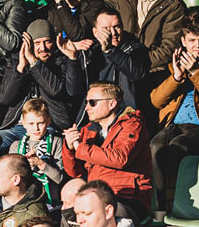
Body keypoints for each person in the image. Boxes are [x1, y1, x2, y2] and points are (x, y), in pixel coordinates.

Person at [149, 17, 199, 190]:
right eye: (192, 40)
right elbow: (156, 101)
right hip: (172, 125)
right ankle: (161, 203)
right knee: (156, 145)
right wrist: (177, 77)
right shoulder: (173, 66)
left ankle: (180, 197)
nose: (197, 45)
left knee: (178, 147)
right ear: (183, 41)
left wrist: (195, 71)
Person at [60, 82, 152, 219]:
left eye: (92, 102)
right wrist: (69, 148)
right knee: (64, 214)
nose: (86, 108)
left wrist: (81, 148)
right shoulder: (88, 130)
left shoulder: (132, 125)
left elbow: (120, 158)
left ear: (112, 104)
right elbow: (75, 172)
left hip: (128, 195)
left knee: (98, 214)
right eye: (86, 102)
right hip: (98, 194)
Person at [0, 20, 84, 138]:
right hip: (18, 127)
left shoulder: (60, 61)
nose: (43, 48)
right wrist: (20, 68)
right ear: (28, 44)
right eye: (37, 43)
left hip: (50, 127)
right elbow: (4, 99)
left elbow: (55, 90)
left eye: (47, 42)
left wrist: (33, 61)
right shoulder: (16, 61)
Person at [62, 6, 148, 111]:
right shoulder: (89, 51)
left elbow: (137, 73)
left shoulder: (135, 48)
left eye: (117, 27)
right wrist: (72, 59)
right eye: (106, 29)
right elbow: (74, 91)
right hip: (94, 115)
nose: (113, 33)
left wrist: (110, 50)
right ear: (95, 32)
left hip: (125, 115)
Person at [115, 0, 186, 73]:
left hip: (153, 68)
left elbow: (170, 47)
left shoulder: (173, 6)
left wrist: (140, 64)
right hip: (123, 63)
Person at [11, 99, 67, 202]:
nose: (36, 128)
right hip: (23, 200)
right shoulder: (16, 147)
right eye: (31, 123)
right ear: (23, 123)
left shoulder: (56, 142)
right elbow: (11, 179)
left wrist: (40, 163)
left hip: (50, 200)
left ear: (48, 121)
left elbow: (60, 178)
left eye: (40, 123)